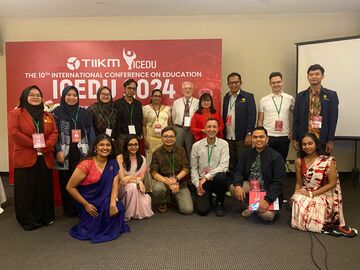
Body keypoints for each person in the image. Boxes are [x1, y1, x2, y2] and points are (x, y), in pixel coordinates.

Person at [8, 85, 58, 230]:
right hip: (25, 158)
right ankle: (28, 220)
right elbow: (14, 134)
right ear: (25, 97)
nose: (36, 97)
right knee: (27, 190)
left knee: (44, 188)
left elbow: (54, 132)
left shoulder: (47, 116)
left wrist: (46, 146)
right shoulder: (16, 113)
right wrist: (34, 145)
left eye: (38, 95)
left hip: (45, 157)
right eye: (32, 95)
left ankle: (46, 217)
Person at [66, 134, 130, 243]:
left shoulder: (112, 163)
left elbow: (114, 185)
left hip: (105, 197)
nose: (105, 148)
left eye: (108, 145)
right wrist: (86, 205)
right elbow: (70, 187)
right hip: (89, 200)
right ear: (95, 147)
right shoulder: (86, 164)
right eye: (101, 145)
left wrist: (113, 203)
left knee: (118, 207)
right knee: (100, 215)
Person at [52, 85, 95, 217]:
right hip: (64, 152)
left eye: (74, 95)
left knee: (82, 178)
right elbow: (54, 133)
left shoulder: (84, 113)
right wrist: (57, 150)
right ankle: (69, 209)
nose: (72, 98)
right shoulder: (57, 112)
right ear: (64, 96)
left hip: (82, 151)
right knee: (66, 179)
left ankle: (82, 206)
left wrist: (92, 151)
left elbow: (90, 132)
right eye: (69, 95)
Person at [291, 132, 345, 233]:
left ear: (316, 144)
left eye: (310, 143)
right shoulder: (299, 161)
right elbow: (299, 183)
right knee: (298, 199)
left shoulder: (328, 160)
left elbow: (332, 183)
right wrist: (295, 194)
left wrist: (312, 194)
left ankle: (314, 224)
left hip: (324, 193)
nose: (307, 147)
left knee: (312, 203)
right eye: (304, 144)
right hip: (307, 190)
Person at [232, 127, 285, 221]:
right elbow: (238, 171)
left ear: (267, 139)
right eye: (255, 137)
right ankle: (254, 206)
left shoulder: (276, 157)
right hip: (251, 185)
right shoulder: (246, 154)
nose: (258, 140)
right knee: (233, 188)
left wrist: (267, 200)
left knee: (267, 216)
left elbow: (278, 183)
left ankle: (253, 208)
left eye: (261, 137)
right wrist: (238, 185)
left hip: (268, 190)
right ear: (252, 139)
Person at [293, 64, 339, 154]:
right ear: (308, 77)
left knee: (321, 166)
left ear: (323, 76)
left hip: (323, 139)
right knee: (304, 166)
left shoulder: (331, 95)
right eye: (311, 74)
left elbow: (333, 119)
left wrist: (330, 140)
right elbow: (296, 119)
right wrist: (295, 138)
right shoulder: (300, 96)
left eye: (317, 74)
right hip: (304, 141)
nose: (314, 77)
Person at [191, 118, 230, 216]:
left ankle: (219, 202)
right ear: (204, 128)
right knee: (202, 211)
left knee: (221, 177)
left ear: (218, 129)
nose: (211, 129)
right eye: (209, 126)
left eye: (214, 127)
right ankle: (207, 197)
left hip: (217, 180)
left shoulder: (224, 144)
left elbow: (224, 166)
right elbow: (193, 168)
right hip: (203, 182)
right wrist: (197, 185)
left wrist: (207, 176)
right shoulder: (196, 145)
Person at [150, 127, 193, 214]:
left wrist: (175, 179)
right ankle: (163, 202)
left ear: (175, 138)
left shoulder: (181, 150)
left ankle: (173, 197)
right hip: (164, 182)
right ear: (161, 138)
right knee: (157, 188)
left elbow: (186, 168)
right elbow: (153, 172)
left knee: (187, 210)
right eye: (166, 136)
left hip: (180, 182)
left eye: (171, 136)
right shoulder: (156, 153)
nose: (169, 139)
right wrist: (168, 182)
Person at [222, 72, 256, 175]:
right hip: (228, 137)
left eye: (236, 82)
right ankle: (233, 186)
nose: (233, 85)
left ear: (240, 83)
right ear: (228, 84)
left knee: (243, 163)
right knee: (231, 163)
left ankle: (243, 186)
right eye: (231, 83)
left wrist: (249, 134)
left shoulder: (248, 97)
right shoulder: (226, 97)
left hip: (242, 137)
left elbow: (252, 116)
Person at [258, 72, 295, 161]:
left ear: (282, 82)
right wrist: (261, 136)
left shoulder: (290, 98)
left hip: (284, 136)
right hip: (268, 136)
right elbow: (260, 120)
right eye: (273, 82)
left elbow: (297, 117)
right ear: (270, 84)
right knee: (267, 162)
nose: (276, 84)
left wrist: (294, 131)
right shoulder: (264, 100)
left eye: (278, 82)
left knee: (281, 161)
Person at [117, 135, 154, 221]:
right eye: (130, 145)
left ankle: (133, 212)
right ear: (126, 146)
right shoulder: (120, 157)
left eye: (136, 144)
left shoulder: (143, 159)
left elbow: (141, 178)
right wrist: (137, 180)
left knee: (134, 187)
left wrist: (135, 180)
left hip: (136, 186)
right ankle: (128, 214)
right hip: (121, 187)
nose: (133, 147)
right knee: (132, 187)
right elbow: (122, 179)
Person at [142, 89, 171, 191]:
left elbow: (170, 125)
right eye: (155, 96)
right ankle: (150, 187)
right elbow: (144, 125)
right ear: (151, 97)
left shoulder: (167, 109)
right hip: (150, 139)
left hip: (164, 140)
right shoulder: (146, 109)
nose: (157, 98)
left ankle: (164, 185)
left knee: (163, 161)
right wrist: (145, 139)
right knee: (151, 162)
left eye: (159, 96)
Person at [113, 79, 143, 155]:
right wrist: (116, 136)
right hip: (122, 137)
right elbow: (114, 121)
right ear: (124, 89)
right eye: (129, 88)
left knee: (133, 158)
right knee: (121, 158)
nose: (131, 90)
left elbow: (140, 120)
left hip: (135, 136)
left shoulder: (138, 104)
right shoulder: (117, 103)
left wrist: (139, 134)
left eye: (134, 88)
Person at [171, 81, 199, 159]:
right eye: (185, 88)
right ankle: (178, 169)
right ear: (182, 90)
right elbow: (173, 117)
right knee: (177, 150)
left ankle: (190, 170)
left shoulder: (198, 102)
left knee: (191, 152)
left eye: (190, 88)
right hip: (179, 129)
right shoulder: (176, 102)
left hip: (191, 130)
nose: (187, 90)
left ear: (192, 90)